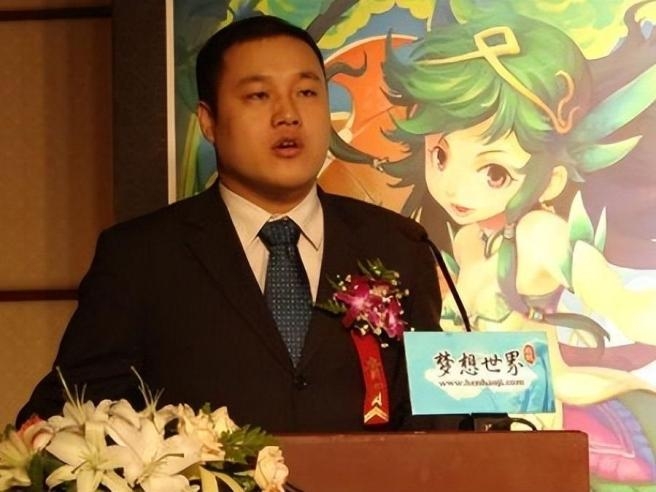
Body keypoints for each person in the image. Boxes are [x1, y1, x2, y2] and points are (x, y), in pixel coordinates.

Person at [17, 15, 458, 433]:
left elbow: (438, 416)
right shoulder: (140, 257)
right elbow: (66, 417)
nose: (288, 114)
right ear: (208, 121)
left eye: (307, 92)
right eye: (258, 96)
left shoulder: (398, 245)